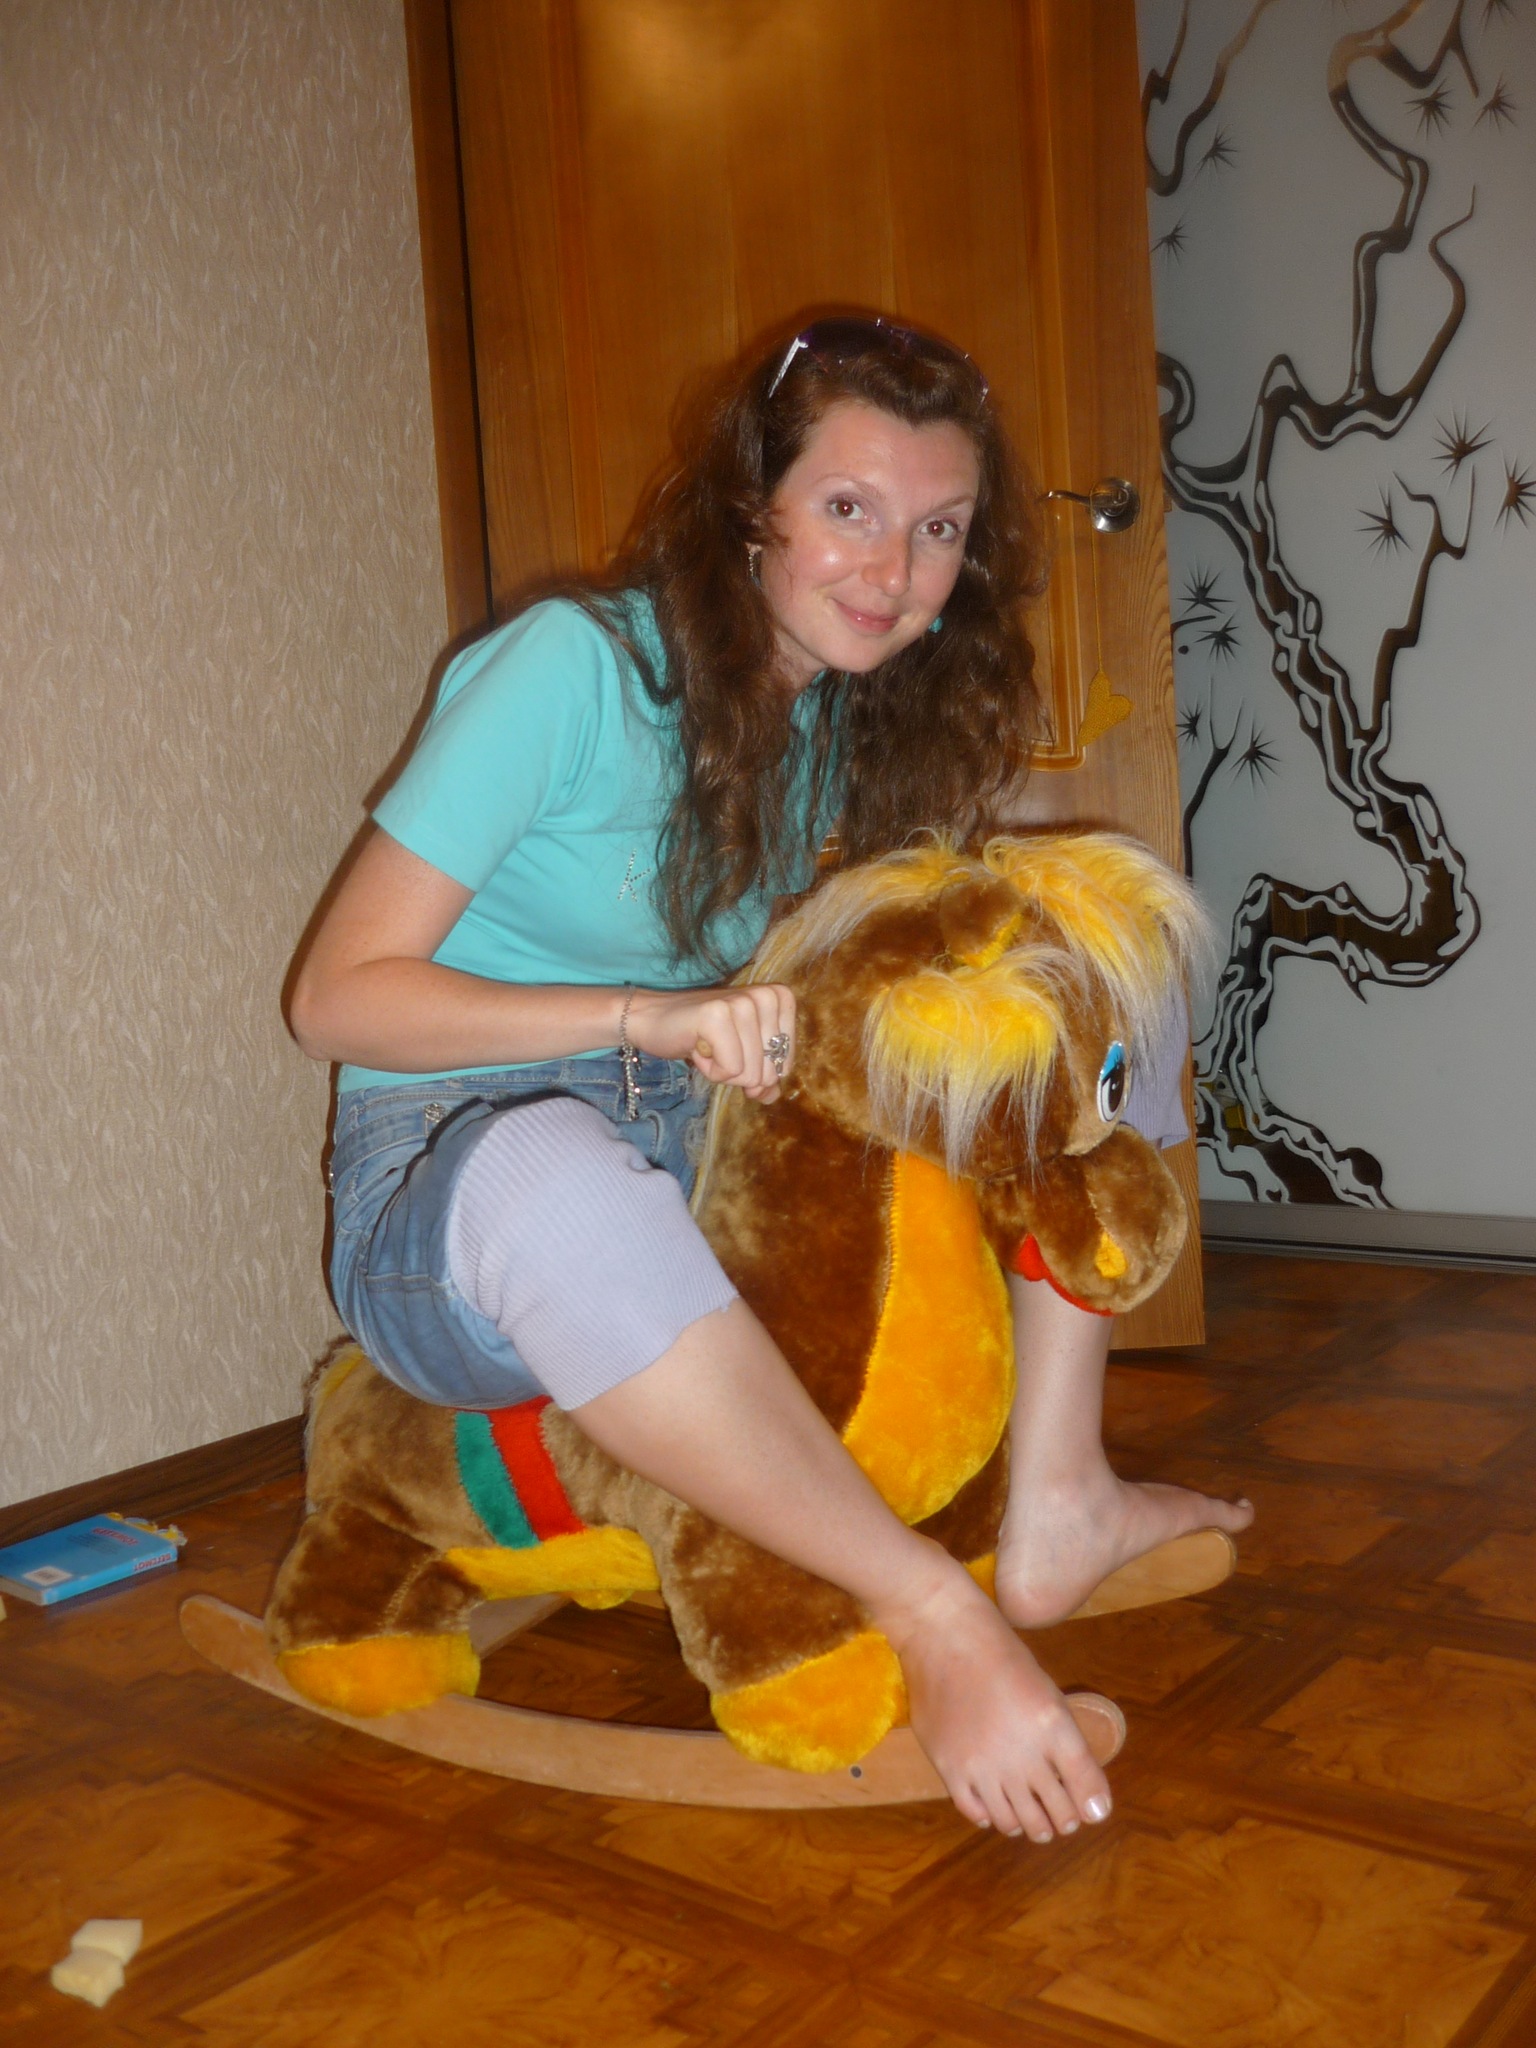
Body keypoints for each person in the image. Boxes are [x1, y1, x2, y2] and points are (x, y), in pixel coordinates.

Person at [288, 315, 1251, 1844]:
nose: (893, 568)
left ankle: (1061, 1487)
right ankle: (929, 1607)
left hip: (698, 1154)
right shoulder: (571, 668)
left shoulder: (844, 725)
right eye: (849, 508)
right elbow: (334, 999)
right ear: (753, 506)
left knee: (1105, 945)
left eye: (939, 529)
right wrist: (644, 1017)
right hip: (448, 1203)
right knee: (558, 1172)